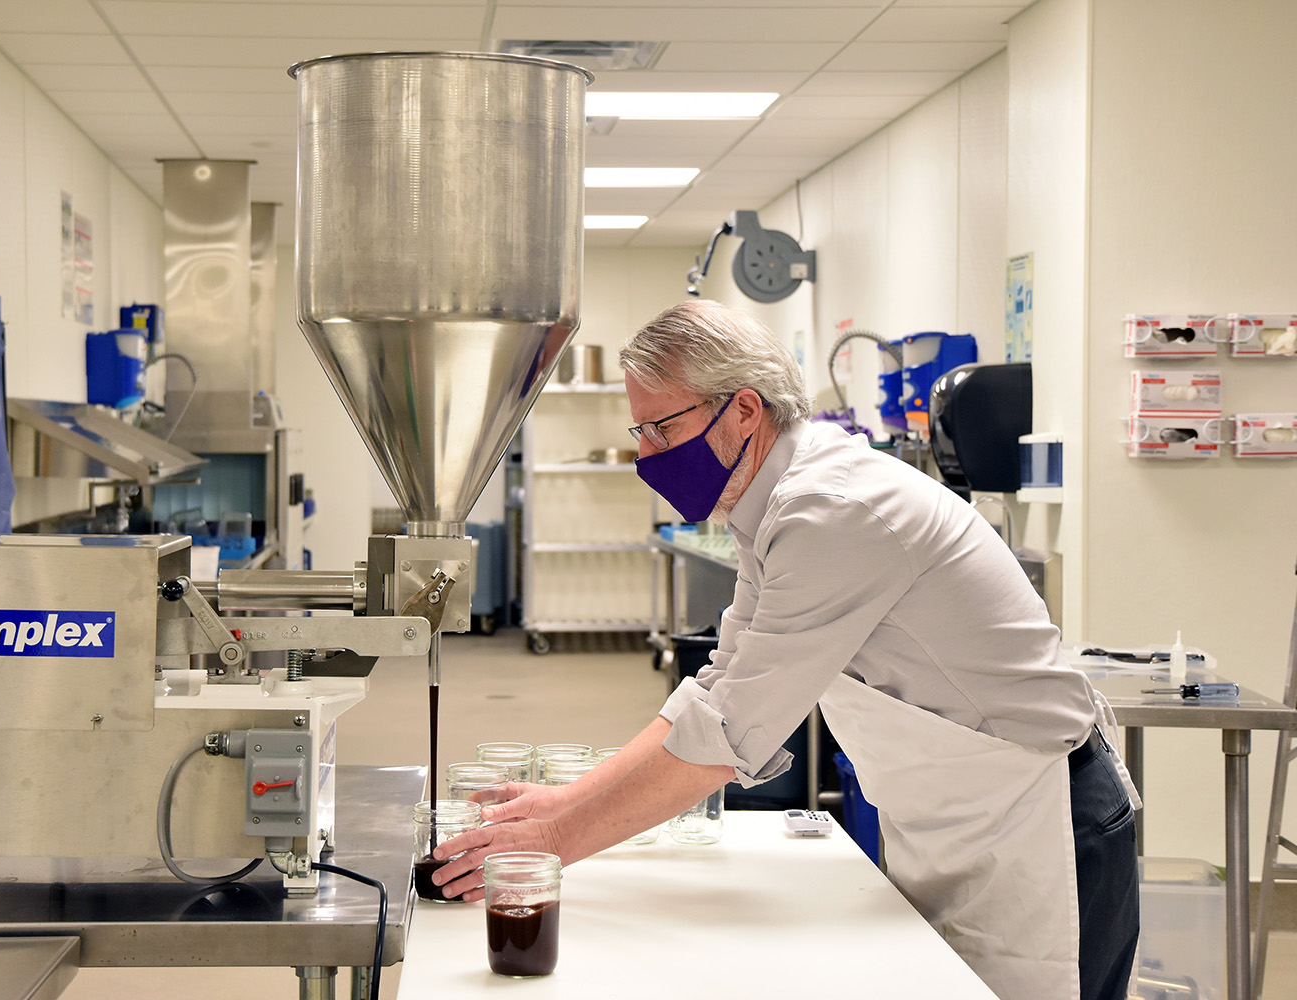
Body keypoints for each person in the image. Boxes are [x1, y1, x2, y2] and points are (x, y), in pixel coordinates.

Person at [432, 299, 1140, 1000]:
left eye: (662, 428)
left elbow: (730, 733)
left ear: (744, 409)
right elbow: (718, 688)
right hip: (967, 818)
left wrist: (557, 841)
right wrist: (562, 804)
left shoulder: (832, 509)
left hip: (1044, 823)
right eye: (639, 430)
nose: (647, 454)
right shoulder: (772, 503)